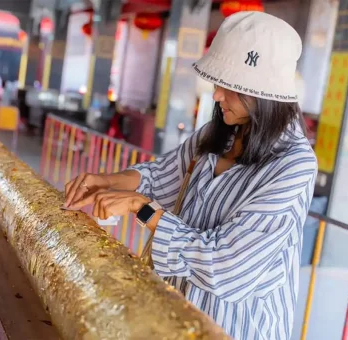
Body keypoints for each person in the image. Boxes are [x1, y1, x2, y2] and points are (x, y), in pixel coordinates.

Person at [64, 11, 317, 340]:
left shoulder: (293, 165)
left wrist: (140, 207)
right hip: (176, 313)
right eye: (218, 82)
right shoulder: (218, 132)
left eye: (229, 87)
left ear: (264, 93)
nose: (216, 95)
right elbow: (161, 177)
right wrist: (107, 181)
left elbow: (226, 265)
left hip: (234, 327)